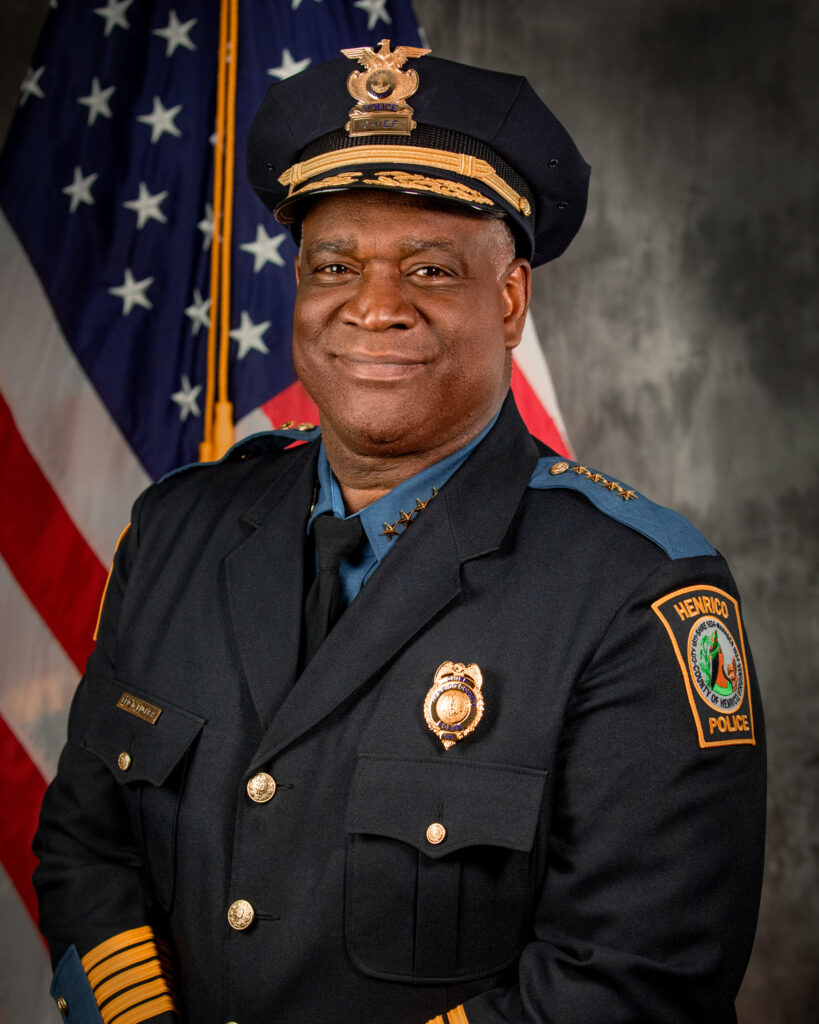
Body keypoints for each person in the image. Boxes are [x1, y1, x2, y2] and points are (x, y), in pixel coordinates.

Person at [33, 40, 765, 1024]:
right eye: (335, 264)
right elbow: (89, 843)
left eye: (430, 267)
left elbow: (631, 981)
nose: (374, 306)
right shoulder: (176, 533)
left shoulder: (635, 592)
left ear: (508, 301)